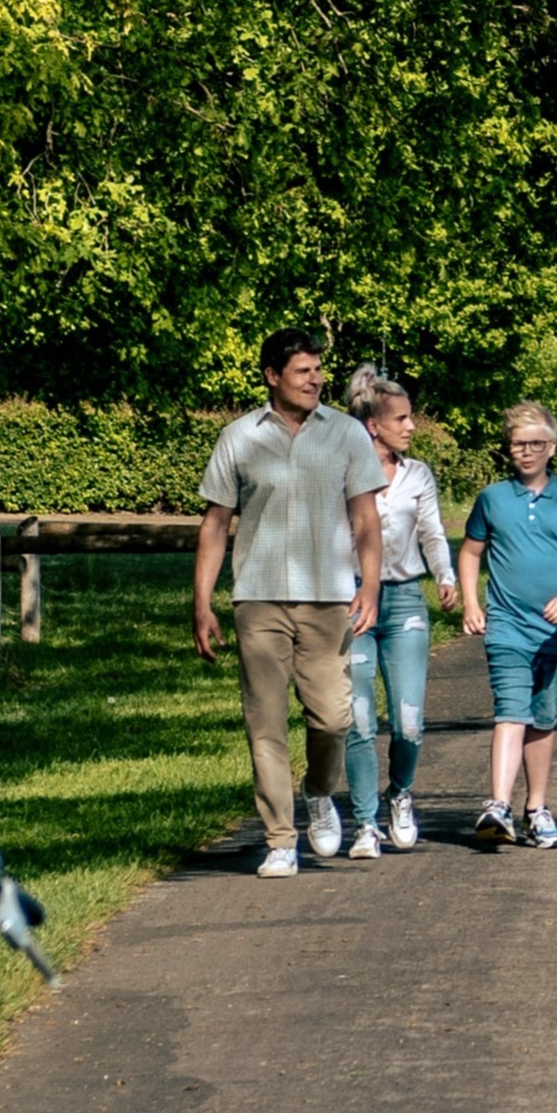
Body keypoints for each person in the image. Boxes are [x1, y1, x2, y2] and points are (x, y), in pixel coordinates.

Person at [193, 330, 384, 878]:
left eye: (318, 370)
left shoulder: (347, 434)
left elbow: (366, 519)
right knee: (265, 724)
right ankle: (280, 839)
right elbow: (215, 525)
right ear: (273, 376)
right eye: (303, 371)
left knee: (332, 718)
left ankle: (319, 791)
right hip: (258, 597)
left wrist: (368, 586)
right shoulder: (238, 437)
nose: (316, 379)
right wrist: (202, 604)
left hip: (328, 600)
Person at [467, 401, 557, 850]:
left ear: (552, 447)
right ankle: (498, 805)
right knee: (510, 710)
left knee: (543, 718)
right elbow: (471, 552)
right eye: (517, 444)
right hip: (506, 625)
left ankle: (537, 809)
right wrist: (471, 603)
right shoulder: (492, 498)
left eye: (534, 444)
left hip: (556, 631)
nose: (525, 452)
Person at [338, 368, 461, 856]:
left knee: (409, 719)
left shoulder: (418, 475)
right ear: (373, 425)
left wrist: (446, 577)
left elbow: (431, 532)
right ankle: (365, 823)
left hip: (406, 598)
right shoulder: (342, 472)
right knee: (359, 717)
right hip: (351, 602)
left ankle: (401, 793)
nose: (411, 427)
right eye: (402, 419)